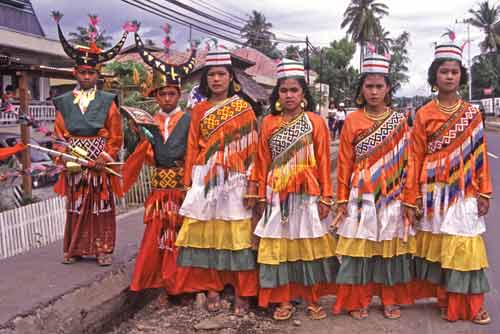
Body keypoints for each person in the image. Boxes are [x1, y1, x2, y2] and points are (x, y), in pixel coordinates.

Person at [403, 33, 492, 324]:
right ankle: (446, 300)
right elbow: (414, 158)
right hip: (433, 193)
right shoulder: (423, 114)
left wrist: (485, 192)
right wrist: (412, 195)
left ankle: (472, 304)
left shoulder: (473, 114)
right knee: (441, 248)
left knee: (464, 246)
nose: (450, 76)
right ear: (434, 76)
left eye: (454, 71)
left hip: (465, 191)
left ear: (461, 76)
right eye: (444, 71)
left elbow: (480, 156)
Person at [249, 58, 337, 321]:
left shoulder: (315, 122)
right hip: (276, 195)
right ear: (277, 93)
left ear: (303, 93)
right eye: (284, 90)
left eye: (294, 90)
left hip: (307, 194)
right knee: (280, 247)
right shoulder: (268, 123)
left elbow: (323, 160)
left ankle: (312, 299)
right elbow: (261, 161)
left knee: (307, 246)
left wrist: (326, 196)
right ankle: (283, 299)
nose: (289, 95)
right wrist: (258, 195)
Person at [174, 48, 259, 314]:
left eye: (221, 74)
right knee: (209, 234)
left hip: (235, 178)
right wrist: (188, 182)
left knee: (237, 235)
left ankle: (242, 292)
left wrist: (253, 184)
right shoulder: (198, 110)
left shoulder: (243, 108)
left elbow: (253, 148)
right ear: (205, 79)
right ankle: (212, 287)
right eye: (211, 75)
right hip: (205, 176)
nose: (216, 79)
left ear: (230, 77)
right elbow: (191, 147)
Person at [333, 52, 414, 320]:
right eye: (369, 86)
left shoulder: (400, 121)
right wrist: (342, 200)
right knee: (362, 249)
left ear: (388, 88)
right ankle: (359, 299)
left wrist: (409, 198)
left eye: (380, 86)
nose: (374, 91)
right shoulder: (353, 121)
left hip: (392, 195)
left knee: (388, 249)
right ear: (362, 89)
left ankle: (390, 299)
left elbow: (407, 162)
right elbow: (344, 162)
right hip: (361, 196)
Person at [51, 13, 132, 266]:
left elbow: (115, 134)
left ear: (98, 75)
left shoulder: (108, 102)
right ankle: (74, 248)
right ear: (75, 72)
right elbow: (58, 135)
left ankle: (103, 250)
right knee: (75, 208)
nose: (87, 77)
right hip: (75, 163)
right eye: (83, 72)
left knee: (101, 207)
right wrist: (65, 158)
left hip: (99, 163)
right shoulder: (63, 103)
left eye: (91, 73)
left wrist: (104, 157)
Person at [122, 32, 196, 294]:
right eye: (162, 94)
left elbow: (193, 152)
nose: (167, 98)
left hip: (181, 188)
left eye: (172, 93)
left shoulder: (189, 120)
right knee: (157, 236)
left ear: (179, 96)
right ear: (156, 97)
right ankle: (157, 282)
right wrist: (139, 135)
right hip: (158, 189)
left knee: (181, 236)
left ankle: (181, 285)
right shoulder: (148, 122)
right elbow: (144, 154)